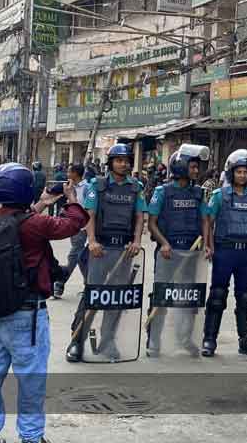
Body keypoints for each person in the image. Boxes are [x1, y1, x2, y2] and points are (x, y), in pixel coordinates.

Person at [0, 163, 88, 443]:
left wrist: (43, 203)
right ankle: (31, 437)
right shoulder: (36, 225)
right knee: (31, 384)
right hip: (27, 317)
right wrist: (72, 201)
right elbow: (73, 224)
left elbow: (18, 222)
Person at [66, 144, 146, 363]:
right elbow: (89, 215)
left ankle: (108, 340)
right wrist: (91, 241)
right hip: (100, 250)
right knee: (93, 295)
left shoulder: (136, 187)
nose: (124, 164)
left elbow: (139, 217)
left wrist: (137, 241)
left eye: (127, 160)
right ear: (110, 162)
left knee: (116, 298)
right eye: (119, 160)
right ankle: (76, 340)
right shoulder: (97, 185)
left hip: (124, 252)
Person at [145, 144, 209, 357]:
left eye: (196, 167)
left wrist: (206, 244)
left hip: (191, 252)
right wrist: (163, 243)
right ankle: (154, 341)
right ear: (181, 166)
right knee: (161, 297)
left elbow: (205, 220)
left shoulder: (199, 193)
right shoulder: (162, 192)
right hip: (168, 252)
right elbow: (152, 223)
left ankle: (185, 338)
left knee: (188, 297)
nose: (196, 170)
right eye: (192, 166)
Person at [201, 149, 247, 358]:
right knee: (218, 295)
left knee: (245, 298)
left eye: (246, 172)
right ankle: (209, 339)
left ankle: (245, 340)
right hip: (225, 252)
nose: (243, 176)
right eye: (239, 172)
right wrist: (209, 246)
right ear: (231, 172)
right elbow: (209, 222)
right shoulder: (220, 196)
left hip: (246, 254)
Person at [52, 163, 89, 299]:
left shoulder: (87, 188)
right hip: (73, 225)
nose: (67, 174)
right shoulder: (70, 186)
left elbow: (87, 208)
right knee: (80, 256)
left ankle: (61, 282)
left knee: (75, 254)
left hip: (83, 226)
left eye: (69, 171)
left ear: (75, 173)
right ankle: (89, 284)